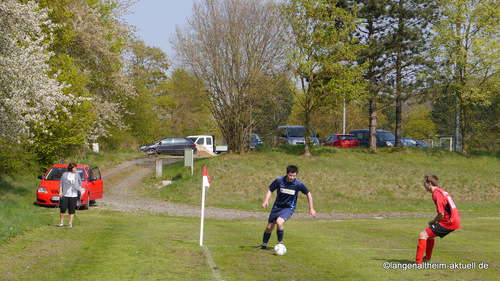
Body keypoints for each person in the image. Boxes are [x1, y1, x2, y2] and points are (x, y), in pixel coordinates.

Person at [255, 165, 316, 249]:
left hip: (289, 207)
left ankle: (279, 244)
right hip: (277, 206)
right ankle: (264, 245)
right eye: (290, 175)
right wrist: (266, 200)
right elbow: (270, 190)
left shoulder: (298, 184)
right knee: (269, 227)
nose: (292, 177)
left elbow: (308, 193)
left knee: (279, 222)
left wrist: (311, 209)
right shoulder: (279, 181)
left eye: (294, 176)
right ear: (286, 173)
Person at [415, 174, 460, 263]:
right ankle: (427, 259)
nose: (424, 185)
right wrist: (435, 221)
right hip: (454, 219)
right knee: (430, 235)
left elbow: (441, 214)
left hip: (449, 222)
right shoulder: (441, 191)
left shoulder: (436, 194)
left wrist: (438, 222)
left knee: (422, 235)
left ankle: (418, 263)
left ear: (429, 183)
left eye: (424, 183)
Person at [58, 163, 82, 228]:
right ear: (71, 168)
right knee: (63, 208)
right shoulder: (65, 175)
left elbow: (80, 183)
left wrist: (80, 191)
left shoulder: (77, 175)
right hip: (65, 194)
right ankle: (61, 222)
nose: (76, 169)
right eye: (74, 168)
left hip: (74, 195)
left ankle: (70, 223)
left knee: (72, 209)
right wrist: (60, 192)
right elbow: (61, 184)